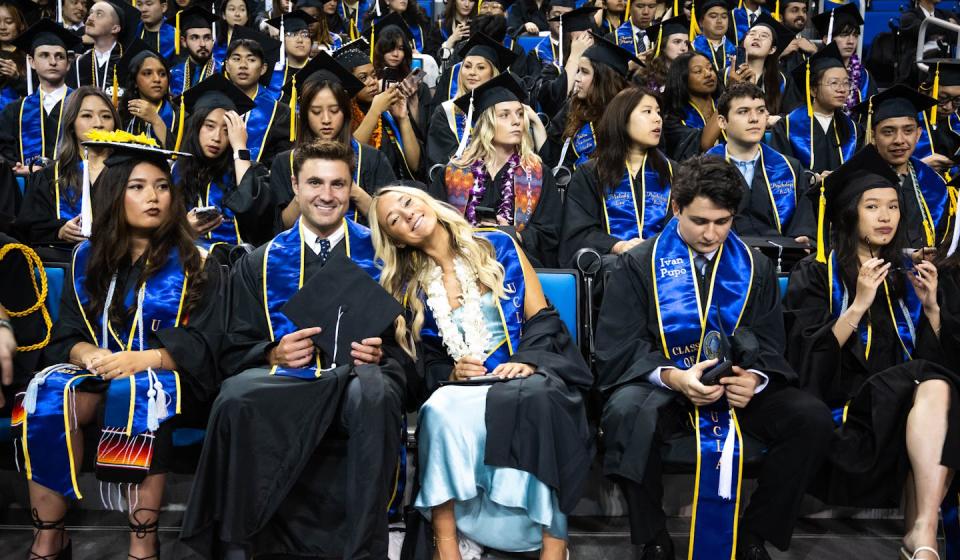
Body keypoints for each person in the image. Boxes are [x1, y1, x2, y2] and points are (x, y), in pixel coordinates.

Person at [595, 154, 834, 560]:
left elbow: (771, 342)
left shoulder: (754, 267)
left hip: (736, 386)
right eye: (699, 221)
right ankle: (654, 538)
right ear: (676, 208)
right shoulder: (637, 265)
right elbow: (621, 345)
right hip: (666, 389)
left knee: (809, 418)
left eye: (722, 222)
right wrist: (674, 378)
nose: (711, 234)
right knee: (625, 413)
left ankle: (755, 535)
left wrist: (754, 378)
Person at [180, 140, 408, 560]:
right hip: (288, 383)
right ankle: (239, 542)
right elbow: (231, 347)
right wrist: (272, 354)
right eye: (315, 182)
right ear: (295, 186)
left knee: (372, 392)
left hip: (355, 382)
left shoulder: (384, 256)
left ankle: (363, 549)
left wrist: (382, 355)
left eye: (338, 184)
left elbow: (410, 350)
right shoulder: (261, 262)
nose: (327, 194)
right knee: (233, 397)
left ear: (351, 186)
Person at [20, 130, 226, 560]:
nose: (154, 197)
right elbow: (67, 335)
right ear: (115, 194)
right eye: (138, 187)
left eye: (162, 186)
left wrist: (143, 359)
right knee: (47, 394)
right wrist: (88, 354)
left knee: (139, 394)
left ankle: (142, 543)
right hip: (100, 370)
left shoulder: (200, 262)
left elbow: (206, 345)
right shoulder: (85, 259)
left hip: (171, 379)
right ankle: (49, 537)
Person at [370, 184, 593, 559]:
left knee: (539, 402)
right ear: (395, 238)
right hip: (467, 385)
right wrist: (452, 373)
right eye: (394, 218)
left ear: (426, 201)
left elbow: (541, 317)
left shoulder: (497, 246)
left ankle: (555, 546)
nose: (407, 214)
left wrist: (527, 360)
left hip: (522, 372)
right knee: (439, 409)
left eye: (408, 202)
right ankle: (447, 546)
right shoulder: (408, 288)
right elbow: (426, 359)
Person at [783, 145, 959, 560]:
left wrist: (932, 307)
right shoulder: (816, 274)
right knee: (932, 383)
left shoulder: (907, 275)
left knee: (936, 384)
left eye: (894, 206)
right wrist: (858, 304)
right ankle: (923, 533)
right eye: (873, 207)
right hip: (852, 412)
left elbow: (941, 365)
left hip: (911, 409)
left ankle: (923, 533)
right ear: (849, 213)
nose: (886, 217)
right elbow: (808, 363)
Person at [430, 73, 558, 266]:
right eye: (504, 115)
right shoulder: (453, 173)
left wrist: (511, 233)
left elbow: (550, 233)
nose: (517, 121)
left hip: (518, 265)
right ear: (486, 123)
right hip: (462, 263)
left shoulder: (538, 174)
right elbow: (437, 226)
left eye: (520, 114)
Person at [271, 52, 395, 229]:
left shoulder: (371, 159)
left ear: (345, 112)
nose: (326, 119)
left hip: (361, 254)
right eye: (316, 112)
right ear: (305, 115)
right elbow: (282, 227)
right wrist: (303, 190)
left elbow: (391, 221)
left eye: (334, 110)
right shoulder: (285, 162)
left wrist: (354, 191)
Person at [560, 87, 673, 268]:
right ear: (623, 118)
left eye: (658, 112)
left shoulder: (674, 173)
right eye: (647, 112)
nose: (657, 118)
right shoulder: (590, 174)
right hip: (612, 267)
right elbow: (578, 233)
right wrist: (618, 246)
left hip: (665, 263)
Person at [173, 74, 274, 246]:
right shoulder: (176, 171)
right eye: (209, 126)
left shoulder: (249, 170)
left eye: (227, 130)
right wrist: (183, 231)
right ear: (196, 126)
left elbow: (258, 220)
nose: (217, 138)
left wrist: (240, 148)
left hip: (237, 263)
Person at [852, 85, 954, 253]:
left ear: (918, 134)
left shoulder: (934, 182)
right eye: (888, 132)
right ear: (873, 135)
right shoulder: (854, 181)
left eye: (908, 131)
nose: (899, 140)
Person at [707, 81, 814, 241]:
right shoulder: (704, 170)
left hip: (780, 259)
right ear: (722, 121)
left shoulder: (790, 169)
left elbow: (803, 222)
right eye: (743, 112)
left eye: (761, 111)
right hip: (725, 257)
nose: (754, 119)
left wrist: (803, 237)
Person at [18, 87, 120, 245]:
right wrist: (59, 231)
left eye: (106, 116)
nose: (98, 123)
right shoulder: (50, 177)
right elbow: (29, 228)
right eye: (87, 115)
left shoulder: (130, 171)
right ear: (71, 124)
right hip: (66, 259)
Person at [543, 32, 636, 173]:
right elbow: (552, 156)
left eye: (584, 72)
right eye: (578, 71)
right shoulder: (573, 107)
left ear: (603, 78)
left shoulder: (630, 114)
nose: (577, 78)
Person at [0, 19, 80, 174]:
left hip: (72, 187)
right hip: (27, 191)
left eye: (59, 56)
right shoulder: (14, 110)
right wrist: (18, 168)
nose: (52, 62)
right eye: (44, 55)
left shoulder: (82, 104)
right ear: (31, 62)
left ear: (68, 64)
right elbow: (5, 152)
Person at [425, 31, 514, 168]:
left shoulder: (507, 112)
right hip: (461, 183)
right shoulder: (445, 113)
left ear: (493, 74)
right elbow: (441, 161)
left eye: (481, 67)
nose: (472, 72)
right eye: (467, 66)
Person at [354, 13, 426, 180]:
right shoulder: (363, 103)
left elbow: (415, 164)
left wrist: (410, 107)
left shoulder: (415, 83)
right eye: (390, 48)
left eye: (401, 49)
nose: (396, 54)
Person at [771, 42, 859, 176]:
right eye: (834, 83)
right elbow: (780, 170)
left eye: (846, 83)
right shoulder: (788, 126)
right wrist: (811, 179)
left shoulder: (854, 130)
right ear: (813, 90)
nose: (842, 89)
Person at [222, 33, 292, 165]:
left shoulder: (280, 113)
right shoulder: (213, 107)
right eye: (236, 59)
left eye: (251, 59)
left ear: (263, 68)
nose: (243, 65)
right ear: (227, 66)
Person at [810, 3, 876, 111]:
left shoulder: (864, 77)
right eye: (844, 35)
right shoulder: (812, 72)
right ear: (827, 39)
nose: (851, 41)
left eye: (855, 35)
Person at [536, 5, 598, 119]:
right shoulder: (553, 70)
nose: (587, 38)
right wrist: (574, 56)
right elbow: (554, 104)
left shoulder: (600, 68)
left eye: (590, 34)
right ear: (568, 38)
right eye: (581, 37)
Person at [723, 13, 790, 118]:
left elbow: (792, 115)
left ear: (772, 49)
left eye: (764, 36)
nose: (757, 37)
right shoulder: (724, 75)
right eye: (752, 34)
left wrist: (776, 120)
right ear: (744, 42)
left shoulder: (782, 80)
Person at [661, 51, 722, 161]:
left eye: (710, 68)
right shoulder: (672, 120)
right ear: (682, 78)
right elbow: (704, 144)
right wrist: (729, 96)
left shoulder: (721, 104)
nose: (708, 74)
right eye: (698, 71)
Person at [68, 0, 139, 90]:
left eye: (99, 14)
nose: (90, 18)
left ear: (115, 28)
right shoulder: (78, 63)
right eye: (90, 13)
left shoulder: (130, 61)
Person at [119, 46, 178, 147]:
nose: (157, 79)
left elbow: (180, 156)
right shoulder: (123, 114)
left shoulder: (180, 117)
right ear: (135, 82)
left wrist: (156, 121)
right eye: (148, 73)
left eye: (162, 74)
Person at [914, 59, 960, 176]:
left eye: (957, 100)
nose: (948, 107)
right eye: (942, 98)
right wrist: (919, 166)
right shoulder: (906, 122)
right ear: (925, 92)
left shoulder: (956, 124)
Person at [168, 6, 221, 97]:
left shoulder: (223, 72)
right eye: (194, 38)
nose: (202, 44)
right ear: (184, 42)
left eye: (207, 37)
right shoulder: (174, 74)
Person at [264, 9, 315, 98]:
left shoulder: (318, 70)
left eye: (305, 34)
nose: (300, 40)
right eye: (291, 34)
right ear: (282, 39)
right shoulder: (269, 73)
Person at [632, 15, 689, 91]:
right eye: (677, 42)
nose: (684, 48)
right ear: (662, 46)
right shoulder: (644, 77)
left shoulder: (691, 74)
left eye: (686, 43)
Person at [690, 0, 735, 74]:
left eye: (724, 17)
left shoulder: (735, 51)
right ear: (701, 22)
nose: (719, 21)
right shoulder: (691, 49)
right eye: (713, 16)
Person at [0, 0, 30, 111]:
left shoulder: (30, 56)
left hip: (17, 117)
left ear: (21, 25)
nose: (2, 27)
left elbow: (38, 94)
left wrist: (17, 78)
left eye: (9, 22)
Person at [775, 0, 816, 76]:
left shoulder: (810, 46)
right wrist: (778, 55)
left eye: (804, 11)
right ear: (780, 17)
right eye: (794, 10)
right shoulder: (772, 43)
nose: (801, 14)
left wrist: (815, 53)